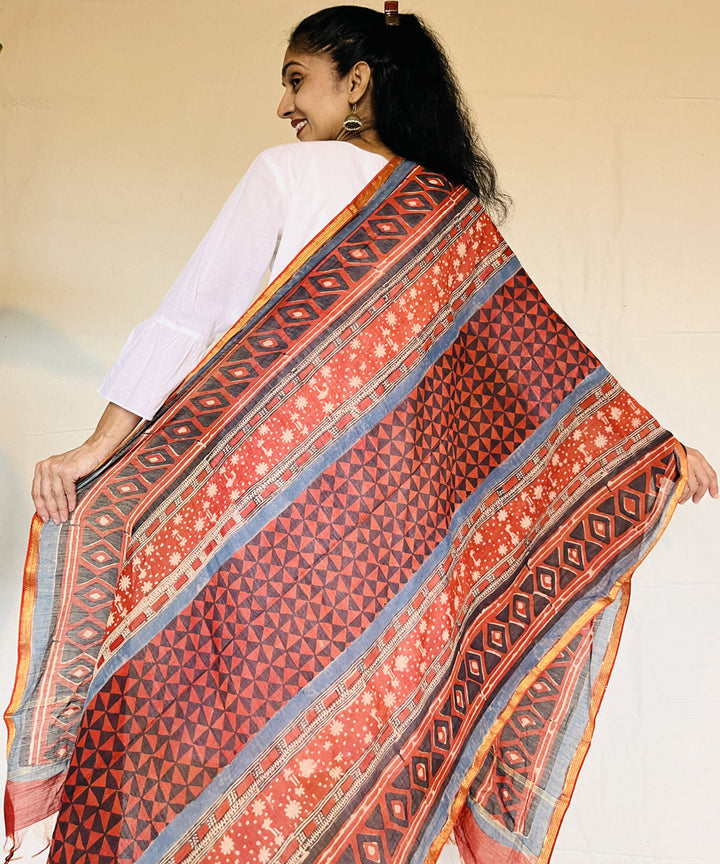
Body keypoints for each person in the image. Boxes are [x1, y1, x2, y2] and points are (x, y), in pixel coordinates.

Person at [6, 5, 717, 864]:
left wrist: (648, 455)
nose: (283, 106)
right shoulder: (435, 211)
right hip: (348, 555)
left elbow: (531, 360)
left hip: (306, 545)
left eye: (297, 79)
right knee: (309, 744)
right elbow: (535, 366)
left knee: (260, 736)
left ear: (359, 79)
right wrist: (641, 455)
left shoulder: (410, 210)